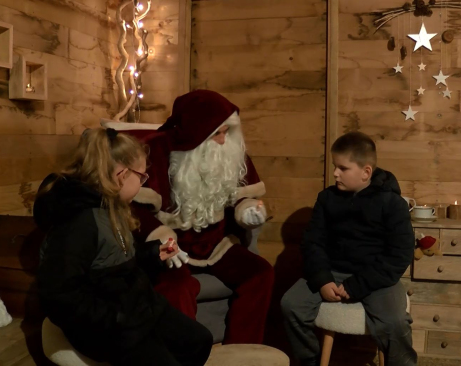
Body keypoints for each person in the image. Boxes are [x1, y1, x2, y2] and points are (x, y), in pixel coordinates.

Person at [34, 128, 213, 366]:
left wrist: (152, 254)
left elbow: (112, 261)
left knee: (199, 341)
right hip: (109, 325)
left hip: (135, 308)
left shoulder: (112, 206)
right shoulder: (80, 222)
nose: (142, 182)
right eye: (141, 176)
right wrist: (117, 319)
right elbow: (58, 293)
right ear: (121, 174)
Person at [132, 90, 274, 344]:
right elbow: (136, 209)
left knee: (260, 273)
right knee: (177, 287)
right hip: (172, 248)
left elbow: (244, 194)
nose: (223, 140)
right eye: (216, 133)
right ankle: (184, 356)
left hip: (215, 244)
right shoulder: (156, 151)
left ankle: (242, 352)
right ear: (196, 132)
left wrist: (249, 211)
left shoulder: (229, 152)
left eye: (226, 132)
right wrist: (162, 237)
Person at [281, 131, 417, 366]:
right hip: (332, 270)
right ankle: (310, 361)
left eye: (343, 168)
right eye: (335, 167)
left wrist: (356, 286)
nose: (335, 173)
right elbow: (313, 243)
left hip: (376, 277)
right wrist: (322, 279)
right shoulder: (326, 198)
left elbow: (399, 255)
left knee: (395, 322)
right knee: (291, 305)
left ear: (366, 172)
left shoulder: (392, 204)